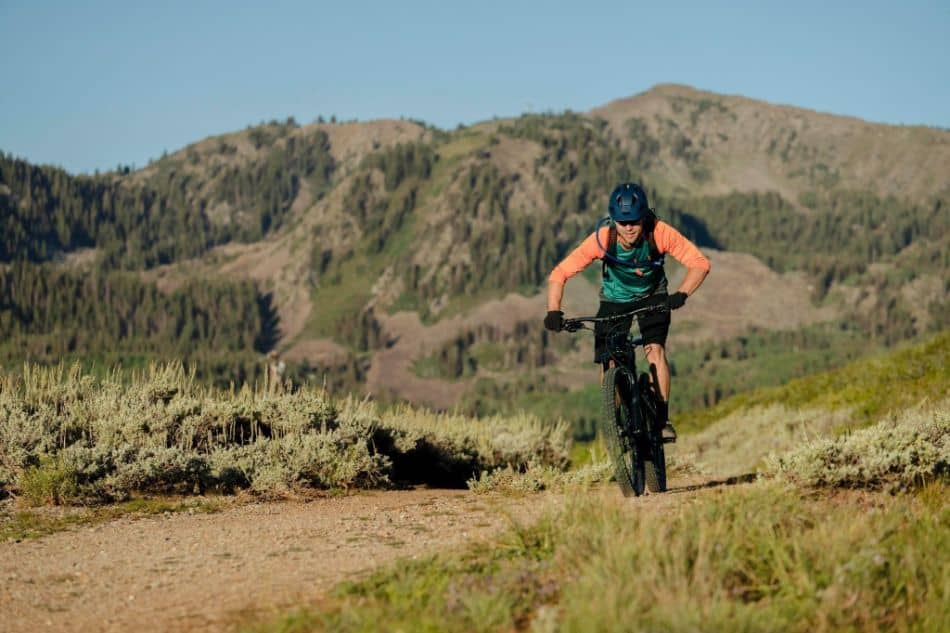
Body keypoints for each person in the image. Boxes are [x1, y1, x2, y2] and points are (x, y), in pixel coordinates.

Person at [543, 182, 710, 441]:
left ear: (643, 217)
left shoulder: (660, 233)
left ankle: (661, 419)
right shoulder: (602, 239)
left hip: (653, 296)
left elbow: (699, 263)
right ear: (614, 220)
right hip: (614, 299)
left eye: (634, 220)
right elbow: (559, 273)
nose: (629, 227)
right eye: (622, 222)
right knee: (609, 359)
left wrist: (681, 294)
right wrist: (554, 310)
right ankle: (616, 418)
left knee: (654, 349)